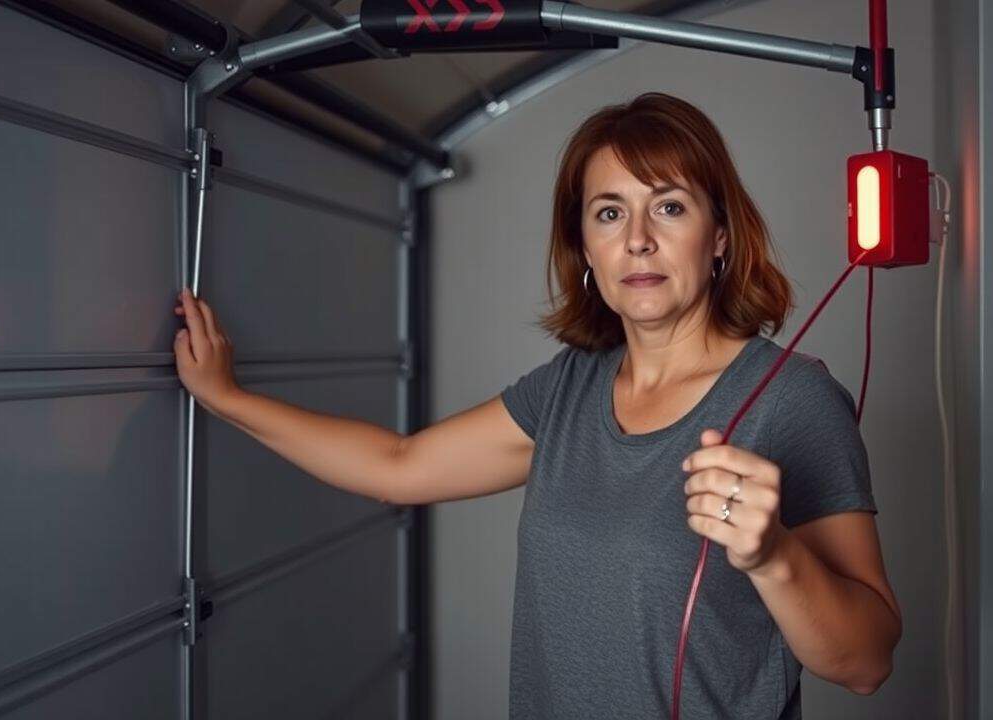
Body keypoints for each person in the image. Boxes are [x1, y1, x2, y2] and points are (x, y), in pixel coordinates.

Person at [173, 91, 901, 719]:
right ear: (584, 247)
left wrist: (775, 557)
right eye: (609, 213)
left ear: (719, 237)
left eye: (669, 207)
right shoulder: (569, 387)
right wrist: (228, 399)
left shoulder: (793, 400)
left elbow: (867, 661)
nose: (639, 240)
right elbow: (398, 465)